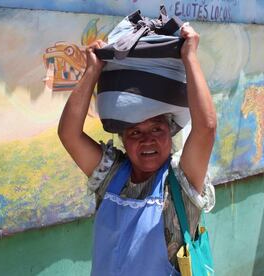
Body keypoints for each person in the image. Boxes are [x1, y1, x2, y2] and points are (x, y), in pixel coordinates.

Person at [58, 24, 216, 276]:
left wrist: (189, 57)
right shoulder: (110, 176)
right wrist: (92, 71)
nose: (147, 141)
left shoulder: (181, 182)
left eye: (156, 129)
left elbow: (206, 128)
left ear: (170, 131)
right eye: (135, 132)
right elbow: (69, 134)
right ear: (122, 139)